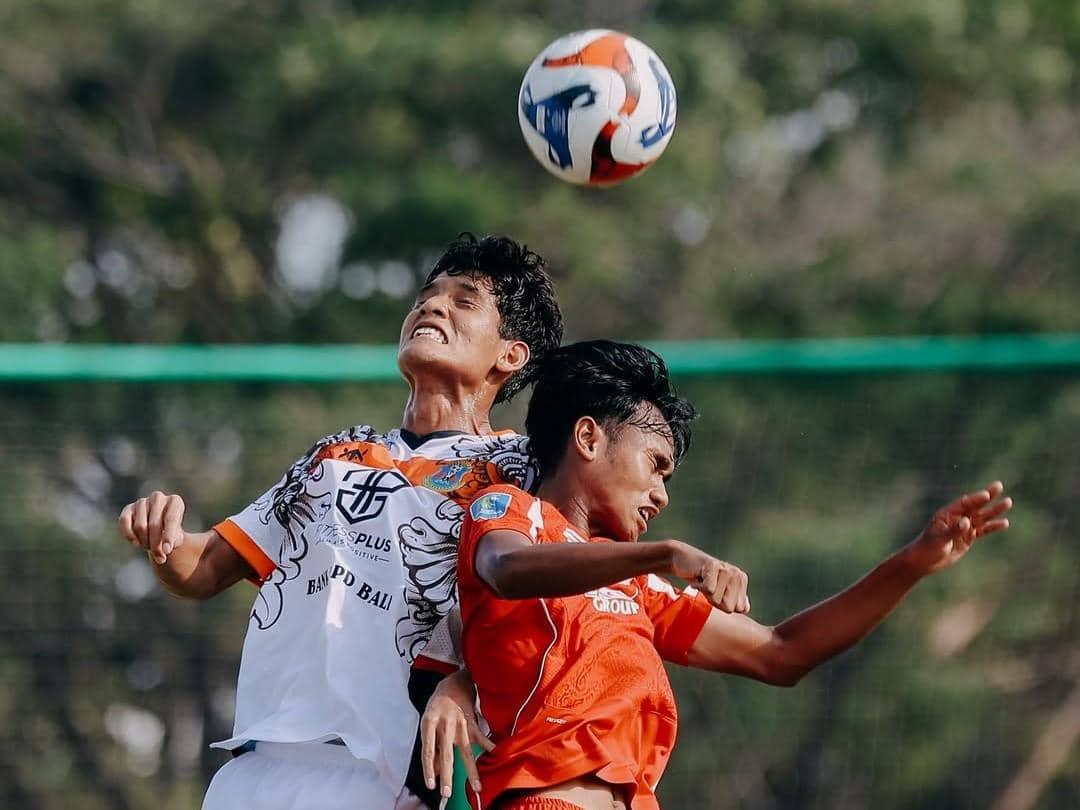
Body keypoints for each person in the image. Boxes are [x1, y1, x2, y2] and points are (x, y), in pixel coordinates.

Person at [422, 340, 1012, 810]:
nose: (660, 494)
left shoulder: (639, 590)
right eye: (655, 466)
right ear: (587, 437)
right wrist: (665, 554)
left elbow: (783, 653)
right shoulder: (509, 511)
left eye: (669, 481)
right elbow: (507, 570)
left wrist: (912, 563)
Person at [116, 233, 569, 810]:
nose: (431, 306)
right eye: (427, 296)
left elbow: (554, 618)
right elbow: (200, 568)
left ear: (511, 354)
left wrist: (468, 681)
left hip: (391, 775)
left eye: (464, 301)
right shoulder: (334, 454)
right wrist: (164, 538)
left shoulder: (522, 473)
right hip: (257, 769)